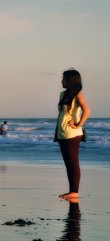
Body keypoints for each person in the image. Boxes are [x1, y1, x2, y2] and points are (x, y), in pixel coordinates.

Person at [55, 69, 90, 200]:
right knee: (67, 163)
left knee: (73, 163)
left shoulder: (78, 96)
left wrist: (78, 124)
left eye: (64, 79)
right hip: (62, 133)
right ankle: (71, 191)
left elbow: (87, 111)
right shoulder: (63, 94)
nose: (62, 81)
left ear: (70, 81)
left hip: (73, 134)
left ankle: (74, 192)